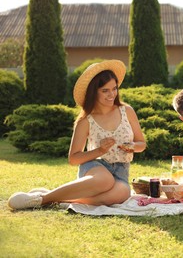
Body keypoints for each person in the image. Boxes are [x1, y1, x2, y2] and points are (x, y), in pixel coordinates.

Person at [8, 60, 146, 210]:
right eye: (105, 90)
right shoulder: (86, 121)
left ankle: (56, 199)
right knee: (105, 180)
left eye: (114, 89)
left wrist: (132, 146)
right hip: (96, 167)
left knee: (122, 194)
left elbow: (141, 144)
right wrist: (99, 151)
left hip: (121, 171)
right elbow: (74, 158)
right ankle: (40, 199)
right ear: (94, 92)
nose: (111, 94)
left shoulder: (127, 111)